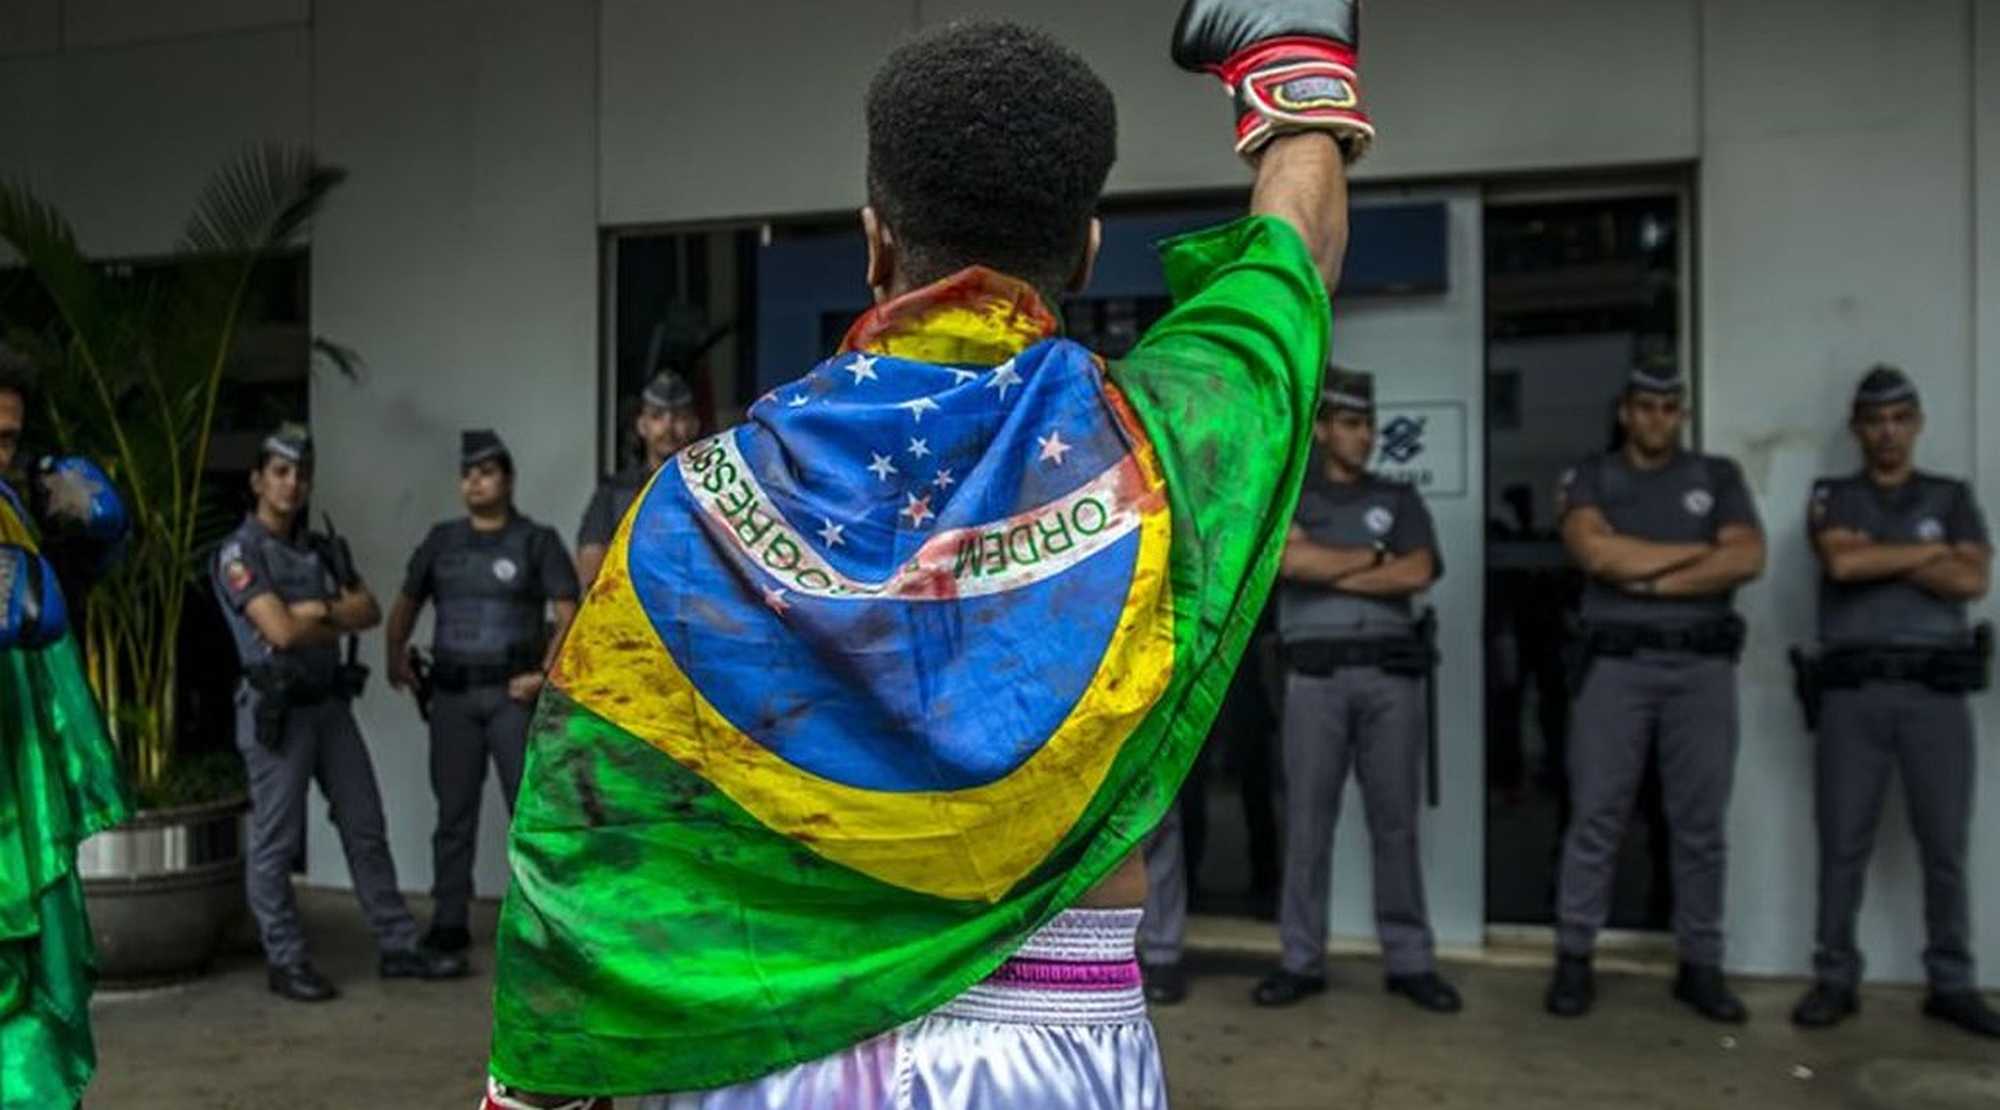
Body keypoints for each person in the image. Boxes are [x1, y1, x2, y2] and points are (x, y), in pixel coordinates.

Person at [485, 4, 1372, 1106]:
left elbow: (595, 817)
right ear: (1087, 249)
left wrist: (534, 1081)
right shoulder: (1168, 456)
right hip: (1054, 1046)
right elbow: (1290, 270)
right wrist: (1291, 58)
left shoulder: (694, 507)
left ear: (873, 242)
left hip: (759, 1050)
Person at [211, 424, 467, 1002]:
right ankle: (285, 958)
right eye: (279, 471)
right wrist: (326, 614)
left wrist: (310, 611)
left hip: (328, 704)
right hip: (277, 709)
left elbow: (370, 609)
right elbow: (275, 628)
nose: (291, 483)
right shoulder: (239, 553)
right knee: (277, 841)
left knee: (365, 825)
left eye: (300, 473)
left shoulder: (319, 547)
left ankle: (398, 945)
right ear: (257, 480)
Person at [1545, 363, 1766, 1023]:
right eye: (1645, 406)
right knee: (1597, 816)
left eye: (1669, 408)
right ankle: (1574, 958)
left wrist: (1650, 580)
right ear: (1625, 412)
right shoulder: (1594, 476)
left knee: (1699, 825)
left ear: (1683, 415)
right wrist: (1694, 557)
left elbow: (1747, 558)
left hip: (1700, 671)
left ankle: (1701, 964)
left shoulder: (1717, 477)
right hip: (1617, 669)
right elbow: (1598, 557)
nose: (1657, 419)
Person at [1791, 366, 1999, 1038]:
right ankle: (1834, 976)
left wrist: (1888, 553)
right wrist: (1930, 553)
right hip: (1855, 692)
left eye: (1899, 419)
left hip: (1934, 693)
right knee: (1842, 842)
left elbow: (1971, 578)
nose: (1887, 432)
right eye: (1875, 421)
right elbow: (1843, 566)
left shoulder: (1953, 494)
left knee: (1945, 845)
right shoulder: (1834, 495)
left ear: (1917, 423)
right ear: (1857, 428)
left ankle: (1952, 981)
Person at [1250, 369, 1460, 1014]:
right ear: (1321, 429)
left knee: (1395, 823)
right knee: (1308, 825)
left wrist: (1332, 563)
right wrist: (1373, 559)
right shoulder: (1295, 494)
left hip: (1389, 679)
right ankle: (1301, 959)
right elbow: (1289, 562)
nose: (1363, 435)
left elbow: (1419, 570)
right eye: (1349, 423)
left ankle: (1410, 960)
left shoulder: (1399, 499)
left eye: (1368, 424)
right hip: (1313, 681)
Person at [385, 431, 581, 953]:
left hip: (511, 699)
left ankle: (542, 928)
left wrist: (545, 674)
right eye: (467, 473)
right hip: (451, 698)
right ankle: (449, 919)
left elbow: (570, 616)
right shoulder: (441, 541)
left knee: (531, 814)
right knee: (452, 816)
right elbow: (404, 604)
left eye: (486, 471)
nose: (474, 481)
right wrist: (394, 653)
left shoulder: (536, 541)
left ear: (508, 480)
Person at [0, 358, 131, 1107]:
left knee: (30, 998)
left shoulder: (10, 510)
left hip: (19, 789)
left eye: (8, 440)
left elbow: (44, 630)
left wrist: (83, 551)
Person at [575, 370, 702, 589]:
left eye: (679, 417)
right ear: (642, 426)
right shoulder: (614, 491)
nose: (668, 427)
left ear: (694, 425)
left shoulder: (711, 488)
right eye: (657, 417)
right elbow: (591, 572)